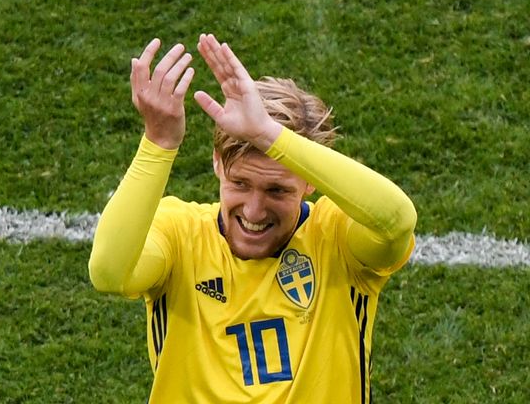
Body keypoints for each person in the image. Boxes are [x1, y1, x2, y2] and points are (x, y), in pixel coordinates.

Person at [88, 33, 417, 403]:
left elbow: (397, 220)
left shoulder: (339, 239)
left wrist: (267, 134)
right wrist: (158, 142)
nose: (254, 211)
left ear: (310, 180)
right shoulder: (178, 233)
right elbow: (109, 272)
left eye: (276, 190)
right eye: (240, 183)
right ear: (216, 163)